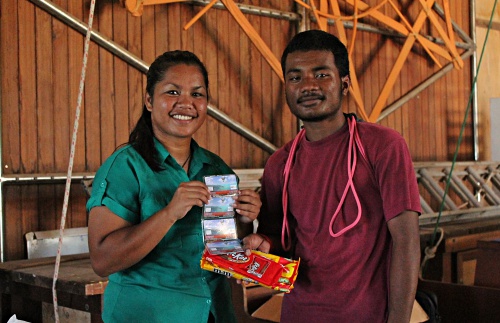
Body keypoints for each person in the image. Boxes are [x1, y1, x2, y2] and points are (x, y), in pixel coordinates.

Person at [242, 30, 421, 322]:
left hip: (368, 315)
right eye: (295, 77)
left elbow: (407, 242)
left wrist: (398, 319)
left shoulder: (382, 146)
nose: (307, 86)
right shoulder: (279, 164)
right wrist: (259, 245)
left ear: (345, 83)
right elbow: (278, 241)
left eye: (321, 74)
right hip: (299, 313)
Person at [87, 50, 261, 323]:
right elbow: (103, 262)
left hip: (215, 312)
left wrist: (245, 220)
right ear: (149, 100)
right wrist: (169, 213)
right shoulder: (125, 167)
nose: (186, 103)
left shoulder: (216, 169)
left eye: (197, 94)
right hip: (150, 315)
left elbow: (226, 248)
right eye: (172, 92)